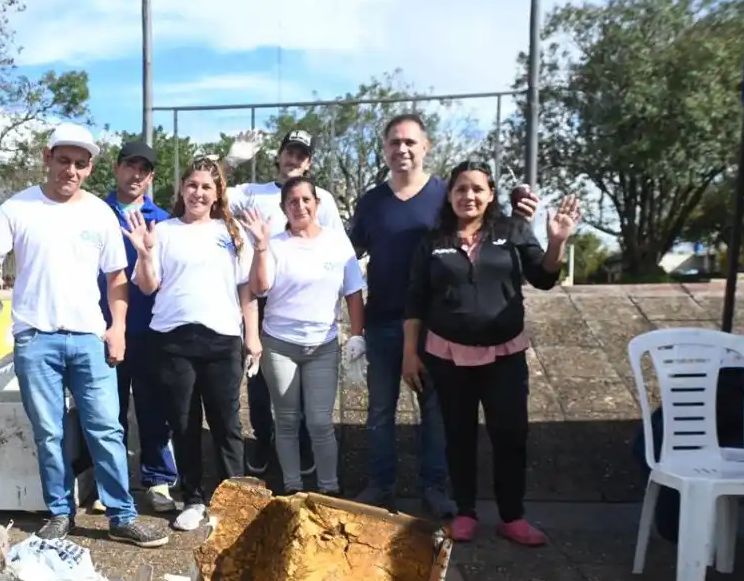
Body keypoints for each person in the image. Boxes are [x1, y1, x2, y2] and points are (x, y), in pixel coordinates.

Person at [0, 123, 167, 548]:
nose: (71, 170)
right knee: (49, 432)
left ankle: (121, 515)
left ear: (90, 168)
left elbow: (118, 278)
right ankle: (60, 512)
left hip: (89, 339)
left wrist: (117, 328)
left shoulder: (100, 213)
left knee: (106, 429)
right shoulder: (17, 208)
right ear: (47, 158)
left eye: (80, 164)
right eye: (63, 160)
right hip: (35, 338)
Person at [349, 114, 539, 516]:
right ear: (384, 149)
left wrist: (523, 196)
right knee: (380, 412)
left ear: (426, 146)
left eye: (410, 142)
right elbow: (346, 256)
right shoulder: (370, 203)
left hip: (437, 328)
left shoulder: (446, 194)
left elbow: (494, 215)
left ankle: (434, 490)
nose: (402, 149)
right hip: (383, 322)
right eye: (394, 142)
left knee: (436, 416)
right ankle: (381, 486)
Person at [403, 160, 580, 545]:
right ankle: (465, 512)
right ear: (449, 196)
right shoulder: (432, 240)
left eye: (477, 189)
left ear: (491, 195)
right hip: (447, 358)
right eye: (461, 189)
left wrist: (556, 241)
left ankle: (512, 516)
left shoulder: (513, 231)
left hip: (504, 356)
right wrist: (410, 353)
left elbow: (544, 277)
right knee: (458, 435)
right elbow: (415, 300)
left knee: (511, 434)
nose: (469, 196)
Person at [123, 157, 261, 532]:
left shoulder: (231, 233)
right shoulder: (163, 231)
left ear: (217, 194)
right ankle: (194, 498)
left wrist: (252, 336)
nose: (198, 193)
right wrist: (145, 253)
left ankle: (235, 499)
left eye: (207, 187)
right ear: (182, 189)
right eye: (193, 185)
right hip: (173, 341)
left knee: (226, 423)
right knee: (183, 423)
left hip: (222, 341)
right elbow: (149, 286)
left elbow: (247, 290)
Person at [225, 129, 345, 476]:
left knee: (305, 383)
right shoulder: (252, 193)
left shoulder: (320, 198)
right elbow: (209, 190)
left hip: (304, 302)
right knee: (261, 379)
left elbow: (336, 245)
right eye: (289, 152)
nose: (294, 160)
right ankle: (264, 438)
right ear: (278, 156)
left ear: (309, 162)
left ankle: (305, 445)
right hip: (260, 298)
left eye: (302, 155)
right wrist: (231, 161)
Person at [244, 176, 366, 496]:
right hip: (279, 345)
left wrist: (357, 336)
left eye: (306, 200)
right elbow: (259, 288)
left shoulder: (337, 243)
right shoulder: (275, 244)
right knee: (285, 421)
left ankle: (328, 489)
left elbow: (354, 293)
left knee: (319, 422)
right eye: (292, 201)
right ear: (284, 207)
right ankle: (293, 487)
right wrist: (259, 247)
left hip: (323, 346)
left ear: (317, 204)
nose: (300, 206)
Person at [98, 140, 178, 513]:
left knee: (153, 409)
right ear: (116, 169)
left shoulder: (163, 219)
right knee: (106, 412)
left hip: (151, 331)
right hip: (103, 328)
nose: (136, 175)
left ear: (151, 178)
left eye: (144, 170)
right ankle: (109, 485)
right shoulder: (94, 214)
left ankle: (158, 481)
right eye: (130, 165)